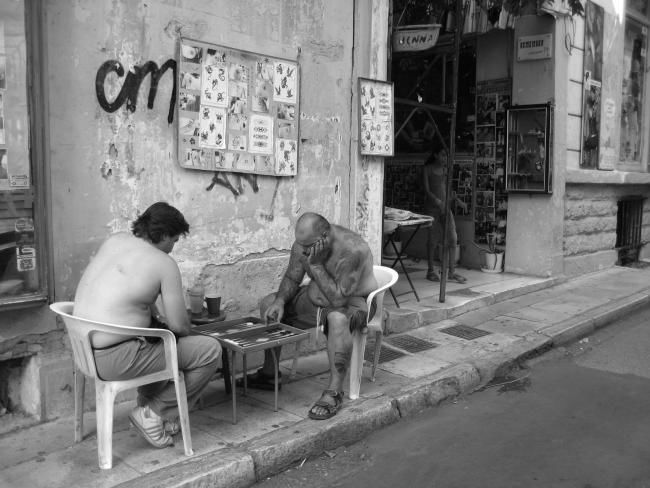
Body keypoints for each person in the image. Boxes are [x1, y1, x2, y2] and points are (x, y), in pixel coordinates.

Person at [73, 202, 221, 449]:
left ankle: (147, 405)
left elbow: (125, 293)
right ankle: (152, 414)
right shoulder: (163, 263)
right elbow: (180, 326)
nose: (173, 247)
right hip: (114, 359)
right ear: (162, 235)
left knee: (152, 337)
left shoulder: (115, 240)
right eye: (174, 240)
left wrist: (151, 315)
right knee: (208, 350)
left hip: (83, 350)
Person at [243, 212, 378, 420]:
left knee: (337, 319)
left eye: (307, 247)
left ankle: (334, 392)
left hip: (355, 302)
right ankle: (269, 374)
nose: (303, 251)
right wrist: (280, 301)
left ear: (325, 236)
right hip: (315, 299)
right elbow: (292, 276)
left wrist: (315, 265)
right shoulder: (305, 244)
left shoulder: (352, 250)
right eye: (300, 245)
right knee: (269, 304)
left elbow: (339, 300)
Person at [423, 140, 467, 284]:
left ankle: (452, 272)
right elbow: (427, 190)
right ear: (436, 155)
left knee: (453, 239)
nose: (445, 159)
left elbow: (448, 190)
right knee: (433, 241)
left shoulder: (446, 170)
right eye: (442, 155)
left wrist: (458, 200)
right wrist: (436, 200)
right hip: (432, 209)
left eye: (446, 156)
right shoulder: (427, 169)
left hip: (446, 208)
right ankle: (430, 271)